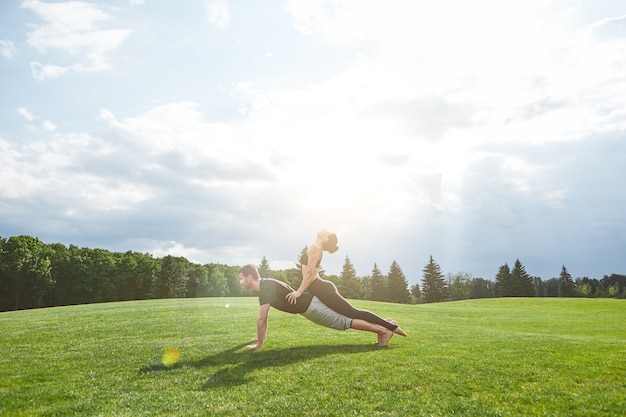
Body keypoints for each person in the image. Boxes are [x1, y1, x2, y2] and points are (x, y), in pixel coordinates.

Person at [238, 264, 394, 349]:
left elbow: (261, 319)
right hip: (310, 307)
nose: (241, 283)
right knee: (346, 319)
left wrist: (259, 344)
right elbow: (263, 320)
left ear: (250, 277)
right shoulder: (267, 284)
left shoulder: (266, 288)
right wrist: (260, 339)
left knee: (344, 321)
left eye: (241, 279)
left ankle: (383, 331)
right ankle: (383, 328)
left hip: (312, 307)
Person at [286, 230, 407, 337]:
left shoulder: (315, 247)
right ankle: (389, 323)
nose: (324, 230)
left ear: (326, 238)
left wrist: (298, 292)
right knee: (352, 312)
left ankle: (391, 327)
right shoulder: (316, 246)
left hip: (322, 289)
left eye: (327, 232)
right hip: (320, 287)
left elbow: (309, 274)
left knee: (353, 312)